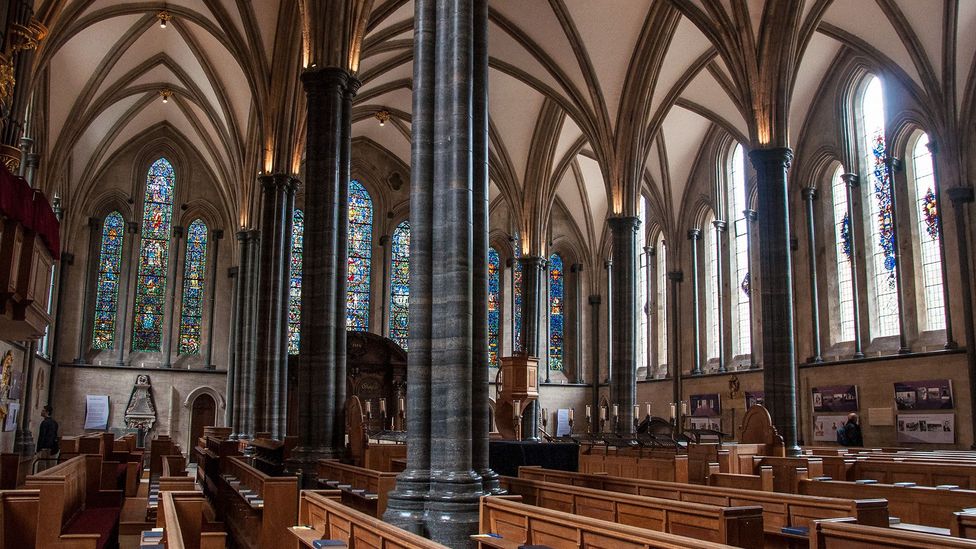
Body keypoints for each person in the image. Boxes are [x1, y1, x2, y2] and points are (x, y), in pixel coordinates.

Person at [36, 405, 59, 471]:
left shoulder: (44, 423)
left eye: (43, 410)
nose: (41, 412)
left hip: (44, 448)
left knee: (42, 467)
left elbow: (42, 436)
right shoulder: (54, 422)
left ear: (47, 412)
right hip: (53, 447)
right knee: (51, 468)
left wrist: (39, 449)